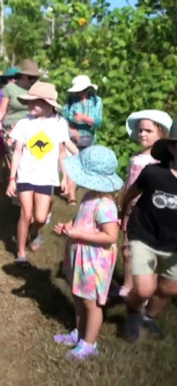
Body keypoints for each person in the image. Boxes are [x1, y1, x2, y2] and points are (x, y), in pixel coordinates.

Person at [53, 145, 122, 360]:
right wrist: (69, 225)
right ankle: (80, 332)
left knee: (91, 303)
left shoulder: (106, 205)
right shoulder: (89, 197)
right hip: (81, 256)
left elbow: (110, 236)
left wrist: (78, 234)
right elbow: (81, 220)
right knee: (79, 297)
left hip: (96, 260)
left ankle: (89, 344)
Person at [121, 120, 177, 343]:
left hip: (173, 243)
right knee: (143, 289)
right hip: (143, 234)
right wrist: (122, 215)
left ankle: (149, 317)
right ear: (172, 148)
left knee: (170, 287)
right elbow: (131, 193)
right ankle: (134, 311)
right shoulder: (154, 173)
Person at [6, 82, 69, 267]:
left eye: (36, 102)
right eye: (30, 102)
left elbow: (62, 152)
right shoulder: (24, 123)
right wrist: (12, 179)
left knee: (40, 218)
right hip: (25, 174)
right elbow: (17, 151)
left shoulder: (59, 124)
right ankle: (21, 253)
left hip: (46, 176)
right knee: (26, 213)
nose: (31, 106)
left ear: (49, 105)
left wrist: (65, 176)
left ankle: (35, 231)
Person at [117, 110, 172, 297]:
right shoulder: (136, 159)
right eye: (140, 130)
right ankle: (127, 284)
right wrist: (122, 207)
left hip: (146, 215)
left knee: (146, 254)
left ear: (161, 134)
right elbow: (130, 186)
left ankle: (144, 288)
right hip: (130, 210)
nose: (142, 134)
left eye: (148, 131)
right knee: (126, 250)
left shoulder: (158, 164)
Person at [61, 75, 104, 205]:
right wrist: (72, 129)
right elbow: (64, 119)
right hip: (73, 138)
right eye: (78, 91)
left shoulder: (97, 101)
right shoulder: (70, 101)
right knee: (72, 165)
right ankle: (72, 197)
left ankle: (90, 195)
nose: (80, 94)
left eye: (82, 91)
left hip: (89, 138)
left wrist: (84, 118)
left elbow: (98, 121)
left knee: (87, 166)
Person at [0, 60, 41, 169]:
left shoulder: (37, 89)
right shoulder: (10, 88)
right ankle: (14, 182)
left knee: (31, 159)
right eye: (30, 77)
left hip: (32, 127)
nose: (33, 81)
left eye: (35, 78)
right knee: (15, 160)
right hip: (11, 128)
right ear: (22, 76)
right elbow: (1, 110)